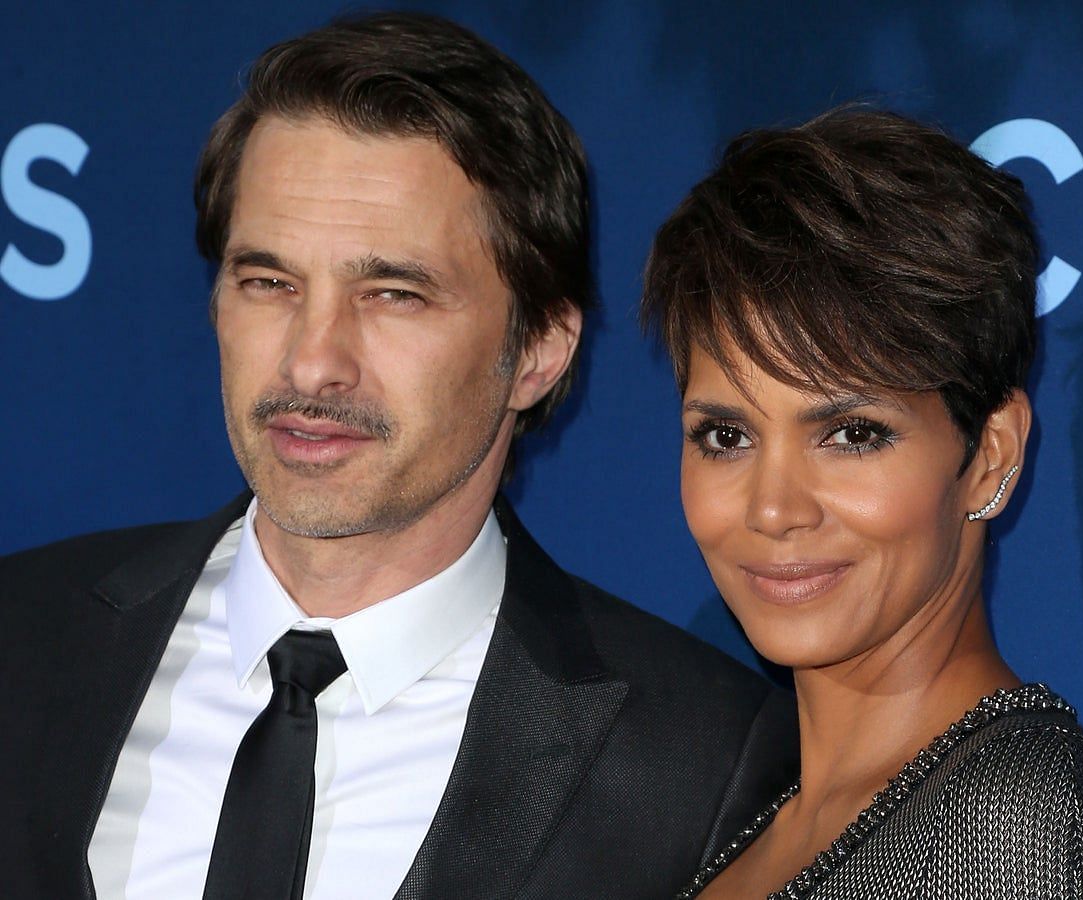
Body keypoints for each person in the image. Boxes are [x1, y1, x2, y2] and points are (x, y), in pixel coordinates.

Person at [0, 13, 797, 900]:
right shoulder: (20, 637)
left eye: (393, 295)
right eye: (270, 283)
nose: (312, 362)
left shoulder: (704, 764)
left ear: (538, 349)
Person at [641, 107, 1083, 899]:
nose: (774, 509)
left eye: (851, 434)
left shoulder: (1011, 831)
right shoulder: (780, 820)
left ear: (989, 457)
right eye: (725, 437)